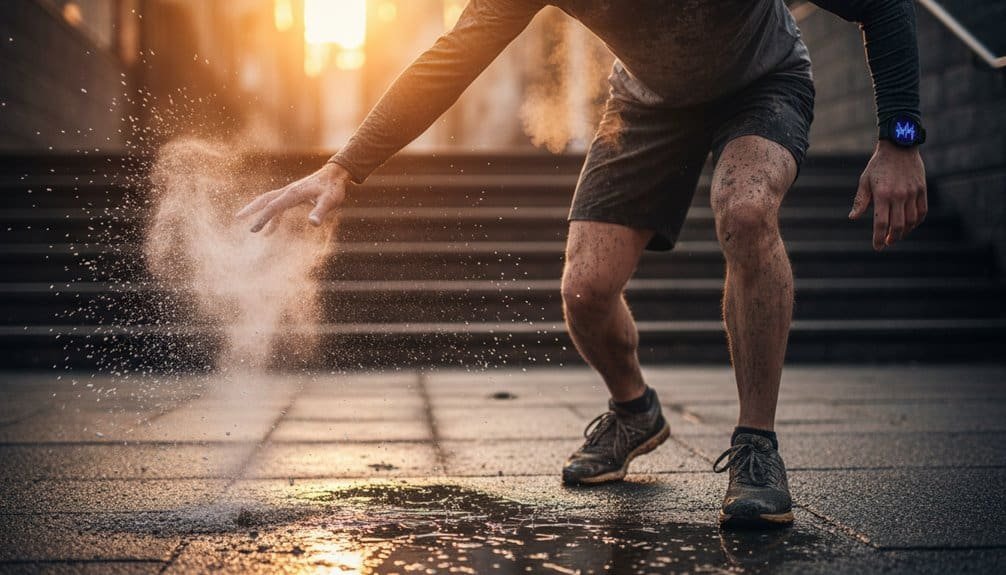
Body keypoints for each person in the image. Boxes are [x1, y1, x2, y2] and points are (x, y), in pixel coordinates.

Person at [237, 0, 927, 529]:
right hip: (647, 102)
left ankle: (756, 444)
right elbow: (453, 56)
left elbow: (885, 7)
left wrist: (900, 137)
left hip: (763, 80)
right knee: (585, 288)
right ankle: (634, 412)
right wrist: (344, 167)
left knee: (745, 210)